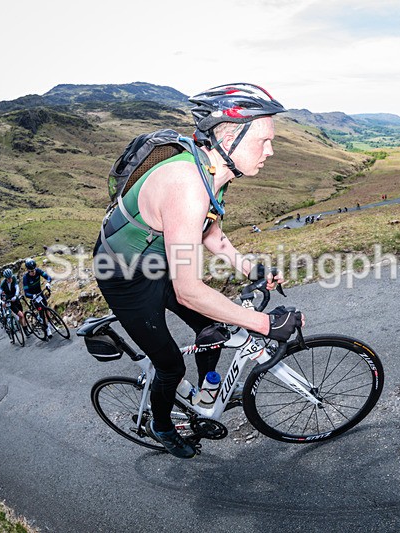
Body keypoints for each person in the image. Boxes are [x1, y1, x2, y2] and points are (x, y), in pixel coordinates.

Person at [93, 83, 303, 459]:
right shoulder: (186, 184)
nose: (270, 151)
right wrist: (265, 325)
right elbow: (189, 290)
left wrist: (247, 266)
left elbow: (210, 230)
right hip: (125, 277)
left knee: (212, 329)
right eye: (264, 140)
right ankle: (161, 426)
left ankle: (208, 388)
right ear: (228, 136)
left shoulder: (211, 172)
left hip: (156, 261)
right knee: (170, 366)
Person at [22, 258, 54, 339]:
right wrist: (32, 296)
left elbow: (48, 277)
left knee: (46, 309)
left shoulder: (38, 271)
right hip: (33, 297)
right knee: (42, 312)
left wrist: (48, 283)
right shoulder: (25, 278)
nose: (34, 272)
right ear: (28, 271)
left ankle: (50, 324)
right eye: (31, 271)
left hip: (40, 293)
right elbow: (26, 293)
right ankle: (47, 329)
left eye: (34, 270)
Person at [0, 268, 30, 335]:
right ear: (6, 278)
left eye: (10, 277)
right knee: (20, 315)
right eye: (8, 278)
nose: (10, 279)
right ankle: (25, 330)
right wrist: (1, 302)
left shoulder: (14, 278)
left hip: (15, 298)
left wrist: (16, 296)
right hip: (10, 301)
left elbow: (17, 287)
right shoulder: (3, 283)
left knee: (22, 315)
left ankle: (24, 328)